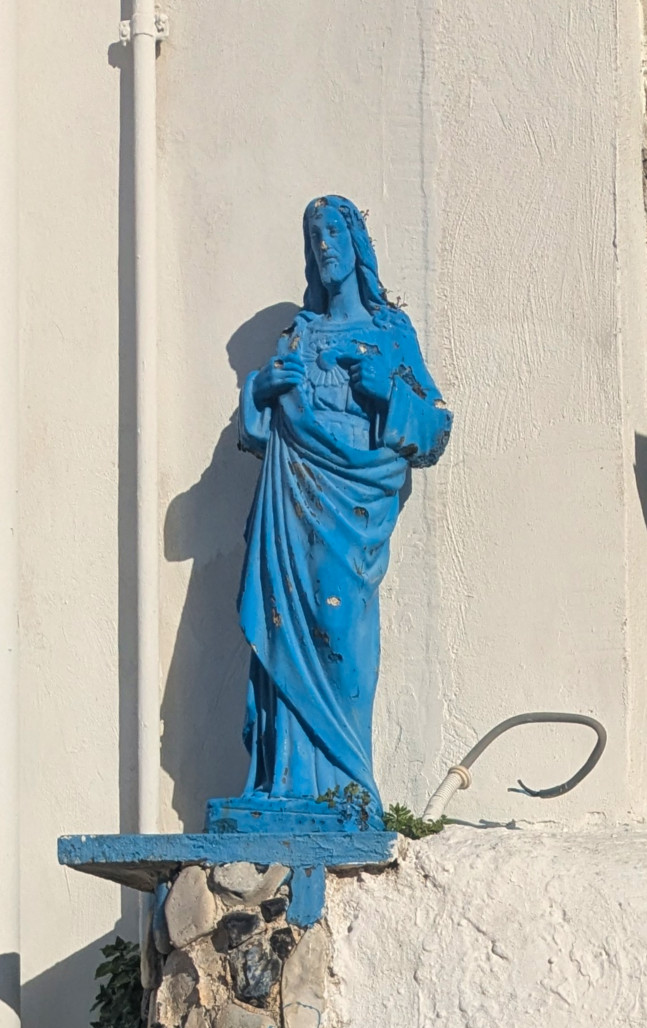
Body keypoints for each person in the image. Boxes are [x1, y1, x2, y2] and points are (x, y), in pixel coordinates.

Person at [220, 195, 451, 829]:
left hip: (353, 511)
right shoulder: (298, 335)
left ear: (356, 243)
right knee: (283, 627)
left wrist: (385, 393)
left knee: (344, 639)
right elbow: (258, 430)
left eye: (333, 231)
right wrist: (260, 391)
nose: (323, 244)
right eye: (313, 235)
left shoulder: (389, 332)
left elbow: (434, 428)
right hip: (291, 503)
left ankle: (348, 787)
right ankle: (286, 785)